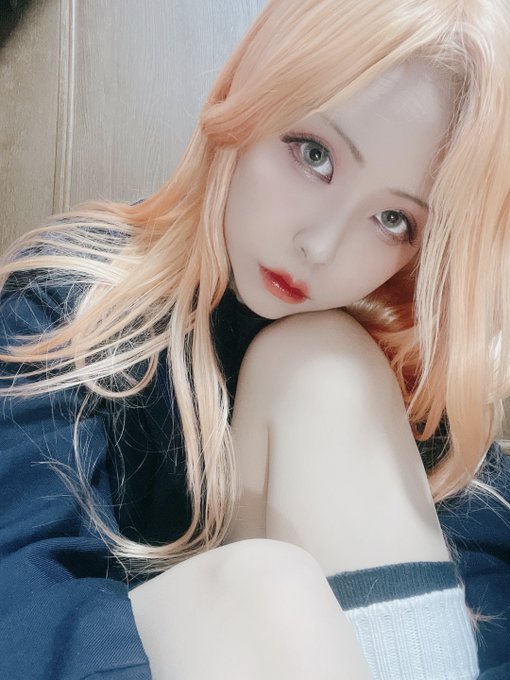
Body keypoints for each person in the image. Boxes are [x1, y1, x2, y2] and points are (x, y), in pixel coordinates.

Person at [1, 0, 509, 678]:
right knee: (264, 588)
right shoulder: (69, 299)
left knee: (325, 367)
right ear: (252, 96)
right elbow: (20, 597)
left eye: (393, 219)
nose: (320, 245)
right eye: (315, 155)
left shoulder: (390, 365)